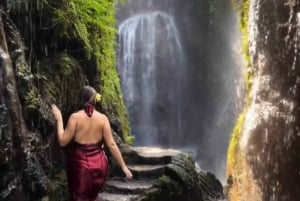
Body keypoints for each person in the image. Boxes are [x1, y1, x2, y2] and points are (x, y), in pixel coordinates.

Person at [51, 85, 132, 201]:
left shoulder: (75, 117)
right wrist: (124, 167)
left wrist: (59, 119)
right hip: (99, 166)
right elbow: (112, 145)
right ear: (95, 100)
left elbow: (63, 142)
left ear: (80, 99)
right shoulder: (103, 118)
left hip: (80, 167)